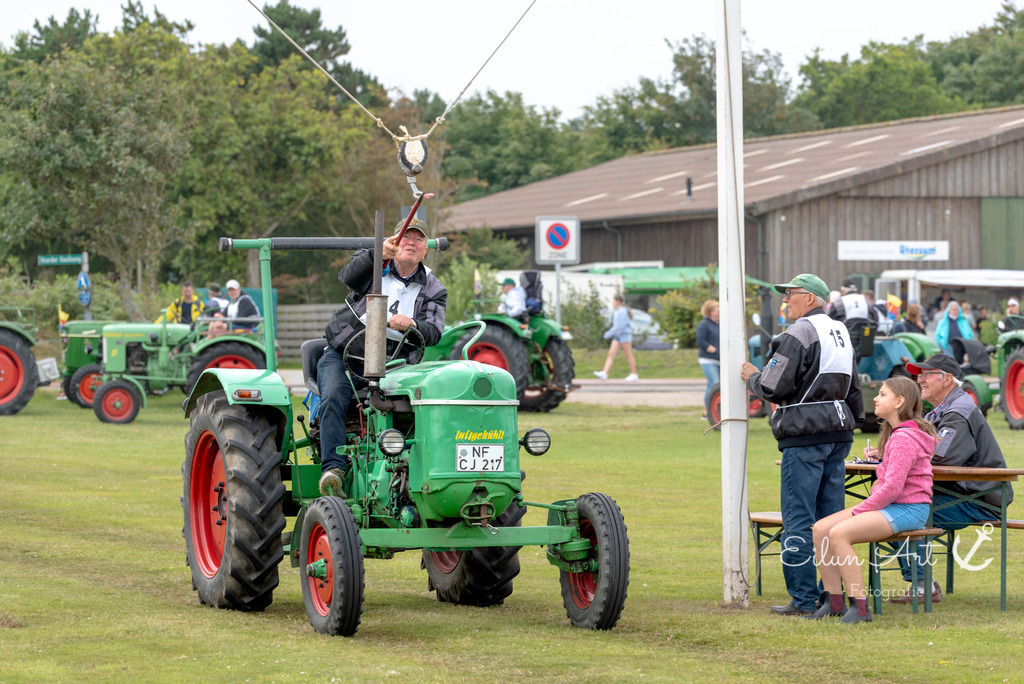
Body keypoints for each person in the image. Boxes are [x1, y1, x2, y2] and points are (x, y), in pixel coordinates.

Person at [741, 273, 864, 616]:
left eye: (789, 294)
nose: (784, 300)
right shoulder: (841, 332)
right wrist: (851, 424)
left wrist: (751, 375)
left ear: (809, 299)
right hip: (839, 433)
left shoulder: (799, 332)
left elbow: (774, 387)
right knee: (831, 522)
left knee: (798, 521)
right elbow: (854, 390)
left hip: (805, 436)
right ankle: (832, 598)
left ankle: (804, 599)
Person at [864, 353, 1014, 605]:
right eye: (918, 374)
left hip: (979, 499)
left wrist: (899, 456)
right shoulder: (946, 408)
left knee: (904, 512)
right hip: (963, 493)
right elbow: (926, 449)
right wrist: (888, 452)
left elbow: (943, 458)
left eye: (926, 374)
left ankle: (924, 586)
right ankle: (923, 583)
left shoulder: (958, 411)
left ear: (946, 380)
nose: (920, 379)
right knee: (900, 509)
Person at [318, 217, 447, 496]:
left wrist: (412, 324)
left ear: (426, 250)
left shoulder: (434, 288)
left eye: (419, 239)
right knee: (332, 396)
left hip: (396, 365)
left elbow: (434, 332)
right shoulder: (373, 265)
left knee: (419, 407)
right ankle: (333, 470)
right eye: (405, 237)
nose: (411, 242)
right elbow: (348, 277)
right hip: (346, 357)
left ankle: (416, 473)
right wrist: (376, 254)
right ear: (393, 242)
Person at [810, 376, 936, 623]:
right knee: (820, 529)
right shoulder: (896, 434)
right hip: (892, 504)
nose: (875, 399)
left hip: (909, 509)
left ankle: (859, 608)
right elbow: (887, 482)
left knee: (839, 534)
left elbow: (891, 489)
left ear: (899, 401)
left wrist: (862, 510)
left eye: (882, 394)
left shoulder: (903, 438)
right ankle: (833, 601)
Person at [594, 293, 638, 382]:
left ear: (618, 301)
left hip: (624, 334)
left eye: (614, 301)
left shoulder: (622, 311)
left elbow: (620, 326)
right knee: (611, 354)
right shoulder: (617, 311)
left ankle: (634, 374)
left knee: (628, 354)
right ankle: (605, 373)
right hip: (618, 335)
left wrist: (609, 333)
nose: (612, 303)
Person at [828, 279, 872, 360]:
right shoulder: (865, 300)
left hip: (846, 336)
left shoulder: (841, 301)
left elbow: (829, 317)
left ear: (843, 291)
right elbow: (874, 316)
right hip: (864, 337)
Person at [695, 299, 720, 418]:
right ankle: (707, 411)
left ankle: (716, 409)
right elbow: (700, 341)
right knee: (713, 383)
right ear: (710, 312)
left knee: (719, 385)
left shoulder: (720, 324)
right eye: (716, 310)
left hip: (720, 360)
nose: (719, 312)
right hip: (708, 359)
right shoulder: (704, 325)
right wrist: (713, 349)